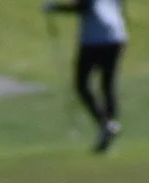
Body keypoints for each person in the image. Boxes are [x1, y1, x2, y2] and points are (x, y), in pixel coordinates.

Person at [47, 0, 126, 153]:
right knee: (107, 84)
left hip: (95, 40)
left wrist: (56, 8)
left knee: (82, 84)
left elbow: (83, 7)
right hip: (115, 35)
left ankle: (106, 126)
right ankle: (108, 127)